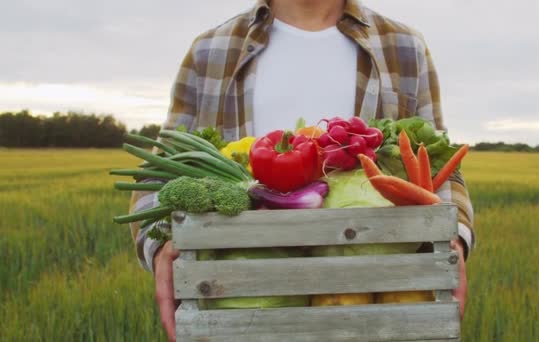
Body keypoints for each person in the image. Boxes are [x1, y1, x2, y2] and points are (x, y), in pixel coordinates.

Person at [129, 0, 475, 340]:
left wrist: (455, 235)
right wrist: (159, 242)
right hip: (240, 312)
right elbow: (161, 168)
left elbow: (440, 163)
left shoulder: (403, 48)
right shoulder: (212, 51)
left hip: (370, 309)